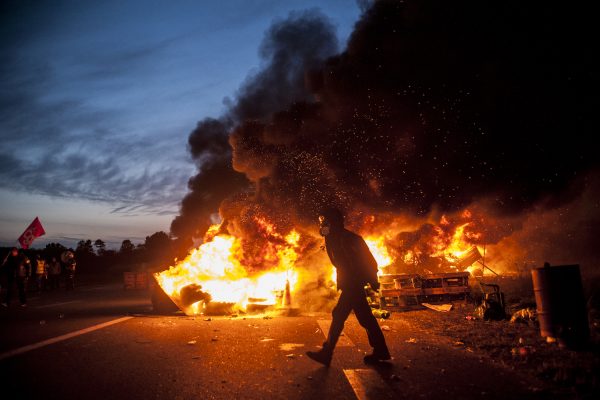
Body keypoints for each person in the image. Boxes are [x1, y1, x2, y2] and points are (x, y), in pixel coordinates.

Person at [306, 208, 391, 366]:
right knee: (364, 318)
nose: (323, 224)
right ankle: (381, 350)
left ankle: (327, 352)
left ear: (334, 223)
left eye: (326, 221)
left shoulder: (349, 239)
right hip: (350, 282)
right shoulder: (334, 238)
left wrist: (371, 279)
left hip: (354, 282)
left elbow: (368, 260)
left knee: (340, 315)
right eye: (323, 222)